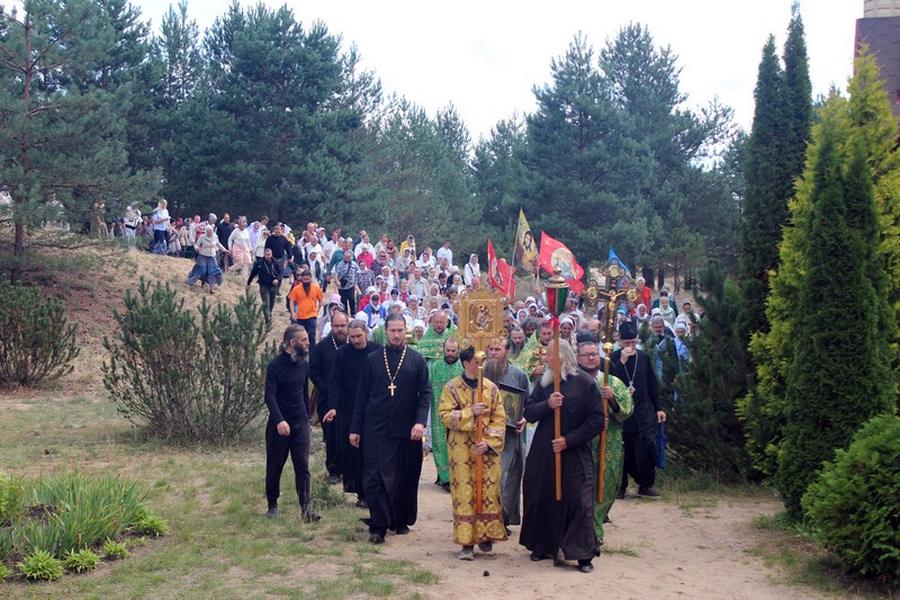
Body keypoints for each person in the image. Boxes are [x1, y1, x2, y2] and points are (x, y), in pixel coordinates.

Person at [519, 340, 603, 573]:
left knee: (579, 501)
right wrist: (548, 404)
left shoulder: (585, 384)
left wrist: (569, 440)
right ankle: (542, 545)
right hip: (544, 452)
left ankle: (583, 554)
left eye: (550, 355)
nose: (546, 359)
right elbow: (529, 412)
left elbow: (596, 420)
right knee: (540, 494)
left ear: (562, 357)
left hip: (574, 452)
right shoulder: (545, 383)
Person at [349, 314, 430, 544]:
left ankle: (400, 519)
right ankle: (378, 525)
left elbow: (425, 394)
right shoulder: (373, 360)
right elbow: (361, 396)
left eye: (400, 330)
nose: (396, 335)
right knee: (374, 477)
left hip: (406, 429)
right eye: (392, 330)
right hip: (375, 427)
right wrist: (355, 428)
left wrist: (420, 422)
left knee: (403, 477)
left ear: (406, 331)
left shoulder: (416, 360)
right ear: (386, 331)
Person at [439, 345, 507, 560]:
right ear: (466, 363)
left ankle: (486, 535)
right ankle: (466, 543)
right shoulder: (451, 388)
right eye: (476, 362)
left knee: (488, 492)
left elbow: (499, 418)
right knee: (464, 495)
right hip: (461, 451)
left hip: (485, 451)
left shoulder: (491, 388)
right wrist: (470, 412)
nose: (481, 366)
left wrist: (488, 442)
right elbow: (445, 415)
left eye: (482, 362)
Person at [576, 339, 633, 549]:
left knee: (606, 485)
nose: (591, 358)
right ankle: (588, 533)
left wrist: (613, 400)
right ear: (578, 358)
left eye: (594, 354)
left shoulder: (614, 383)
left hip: (609, 443)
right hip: (582, 443)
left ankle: (596, 527)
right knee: (581, 488)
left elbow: (627, 411)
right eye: (586, 355)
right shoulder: (574, 381)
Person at [264, 325, 320, 522]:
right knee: (275, 465)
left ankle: (306, 508)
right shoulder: (275, 366)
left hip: (300, 422)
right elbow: (269, 396)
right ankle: (272, 505)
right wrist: (279, 420)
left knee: (302, 465)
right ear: (292, 342)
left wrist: (307, 418)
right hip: (279, 424)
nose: (308, 343)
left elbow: (304, 392)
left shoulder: (304, 363)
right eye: (304, 340)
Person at [330, 319, 382, 507]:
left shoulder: (377, 351)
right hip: (349, 410)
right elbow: (335, 382)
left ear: (366, 334)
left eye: (359, 336)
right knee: (354, 453)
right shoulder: (342, 353)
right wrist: (333, 406)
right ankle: (361, 493)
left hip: (373, 409)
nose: (356, 340)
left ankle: (375, 491)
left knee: (373, 453)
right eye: (352, 337)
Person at [613, 322, 665, 498]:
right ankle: (620, 486)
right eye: (627, 342)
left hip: (642, 411)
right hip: (621, 411)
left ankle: (646, 485)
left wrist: (658, 408)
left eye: (633, 342)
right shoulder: (613, 358)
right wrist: (622, 362)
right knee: (623, 450)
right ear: (620, 342)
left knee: (646, 447)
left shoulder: (643, 357)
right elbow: (611, 381)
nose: (631, 346)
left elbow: (652, 384)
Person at [484, 338, 529, 532]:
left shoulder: (518, 375)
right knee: (490, 478)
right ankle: (488, 518)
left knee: (508, 478)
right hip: (485, 437)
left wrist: (523, 418)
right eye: (491, 349)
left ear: (507, 351)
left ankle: (503, 518)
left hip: (509, 437)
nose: (493, 353)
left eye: (498, 349)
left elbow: (527, 403)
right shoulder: (479, 373)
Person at [309, 310, 348, 484]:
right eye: (337, 326)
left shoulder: (354, 344)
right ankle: (334, 471)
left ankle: (349, 469)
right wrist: (328, 390)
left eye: (343, 325)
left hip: (349, 400)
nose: (340, 329)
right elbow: (314, 372)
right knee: (331, 435)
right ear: (331, 326)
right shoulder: (321, 348)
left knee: (349, 434)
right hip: (327, 399)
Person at [427, 337, 462, 491]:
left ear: (458, 350)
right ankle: (445, 478)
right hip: (439, 414)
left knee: (458, 444)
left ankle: (457, 477)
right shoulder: (434, 367)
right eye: (447, 350)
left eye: (453, 351)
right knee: (440, 445)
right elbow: (427, 387)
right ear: (443, 350)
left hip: (459, 414)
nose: (450, 353)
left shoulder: (463, 367)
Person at [186, 225, 228, 293]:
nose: (209, 233)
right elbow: (197, 245)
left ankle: (211, 288)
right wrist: (197, 248)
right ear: (206, 231)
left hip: (212, 256)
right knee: (201, 270)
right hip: (203, 255)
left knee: (212, 271)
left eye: (210, 232)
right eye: (208, 232)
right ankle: (190, 281)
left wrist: (225, 250)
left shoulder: (215, 237)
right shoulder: (202, 237)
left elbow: (218, 244)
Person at [247, 247, 282, 327]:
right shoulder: (259, 263)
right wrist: (248, 283)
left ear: (271, 254)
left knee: (271, 303)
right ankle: (268, 320)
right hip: (263, 286)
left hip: (273, 286)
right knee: (266, 303)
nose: (268, 256)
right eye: (266, 255)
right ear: (264, 254)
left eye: (269, 254)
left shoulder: (275, 262)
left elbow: (280, 273)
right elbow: (253, 273)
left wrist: (277, 279)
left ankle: (269, 314)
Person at [287, 269, 324, 343]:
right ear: (302, 279)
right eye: (304, 279)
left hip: (312, 315)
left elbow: (321, 299)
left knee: (311, 335)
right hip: (300, 317)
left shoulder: (316, 288)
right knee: (300, 336)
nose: (306, 281)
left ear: (311, 279)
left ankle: (312, 350)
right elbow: (291, 300)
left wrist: (318, 310)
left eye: (308, 279)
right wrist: (293, 312)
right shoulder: (296, 289)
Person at [333, 249, 359, 315]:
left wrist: (356, 282)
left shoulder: (354, 264)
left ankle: (353, 313)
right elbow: (336, 273)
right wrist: (337, 281)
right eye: (346, 257)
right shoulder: (340, 264)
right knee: (343, 301)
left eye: (349, 257)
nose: (347, 258)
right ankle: (345, 314)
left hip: (351, 286)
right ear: (343, 257)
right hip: (342, 286)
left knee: (352, 300)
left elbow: (357, 272)